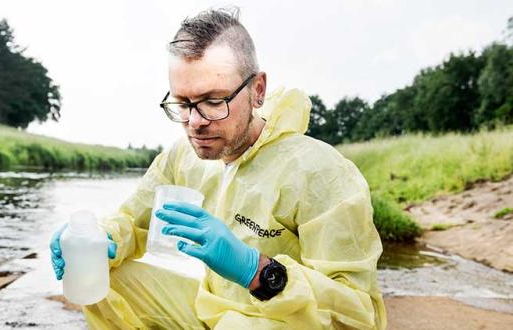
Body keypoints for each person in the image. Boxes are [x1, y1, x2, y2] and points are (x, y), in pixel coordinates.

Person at [50, 8, 386, 329]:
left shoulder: (320, 172)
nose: (195, 122)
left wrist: (257, 270)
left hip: (275, 321)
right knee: (104, 279)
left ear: (257, 90)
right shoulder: (182, 157)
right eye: (183, 104)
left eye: (214, 101)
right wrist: (98, 241)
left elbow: (356, 316)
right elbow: (132, 222)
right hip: (211, 311)